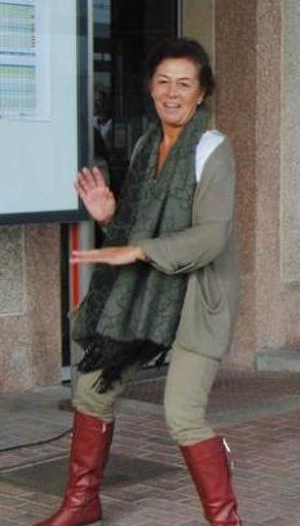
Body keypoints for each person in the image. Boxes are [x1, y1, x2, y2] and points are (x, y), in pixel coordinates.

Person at [39, 38, 242, 526]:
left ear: (202, 93)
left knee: (183, 414)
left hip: (195, 297)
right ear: (150, 88)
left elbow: (212, 236)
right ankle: (82, 502)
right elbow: (134, 231)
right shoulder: (146, 144)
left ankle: (226, 521)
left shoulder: (213, 148)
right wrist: (111, 217)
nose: (172, 93)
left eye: (185, 84)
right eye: (163, 82)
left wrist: (138, 249)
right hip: (141, 296)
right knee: (91, 388)